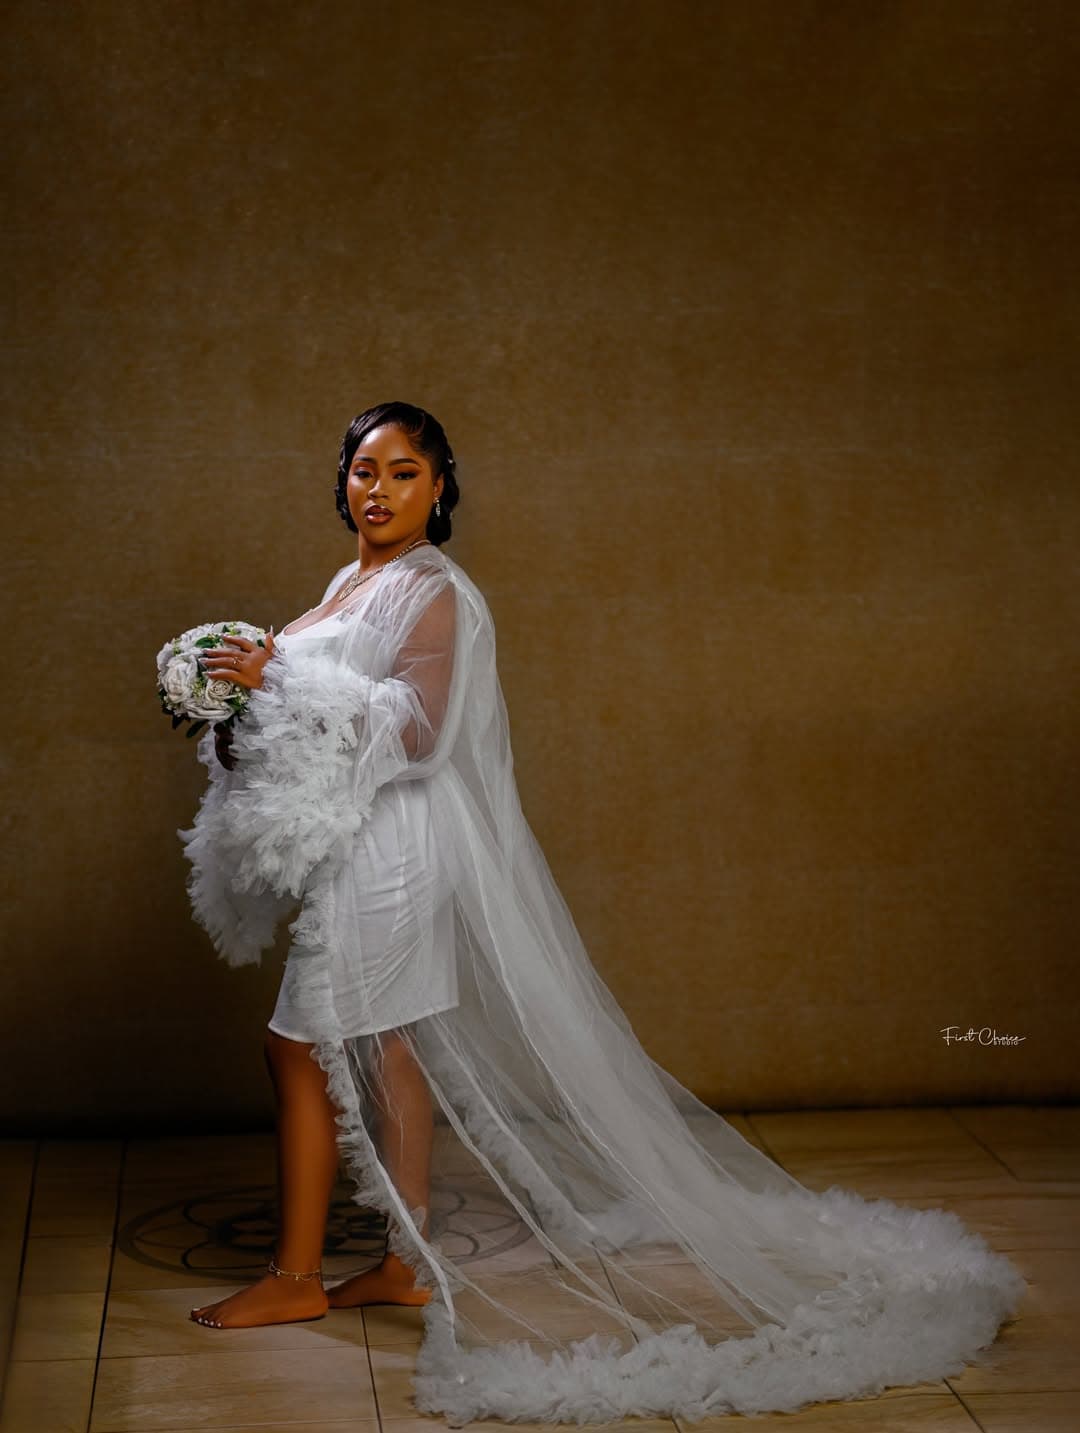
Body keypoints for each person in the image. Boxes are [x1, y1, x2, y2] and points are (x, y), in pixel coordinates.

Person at [176, 401, 1025, 1425]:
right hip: (361, 841)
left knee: (300, 1048)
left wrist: (278, 684)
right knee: (387, 1044)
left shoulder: (438, 593)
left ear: (441, 486)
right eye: (364, 469)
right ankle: (405, 1261)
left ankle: (297, 1272)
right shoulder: (352, 582)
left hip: (396, 850)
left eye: (405, 472)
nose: (380, 489)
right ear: (341, 479)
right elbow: (328, 709)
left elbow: (420, 731)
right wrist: (237, 702)